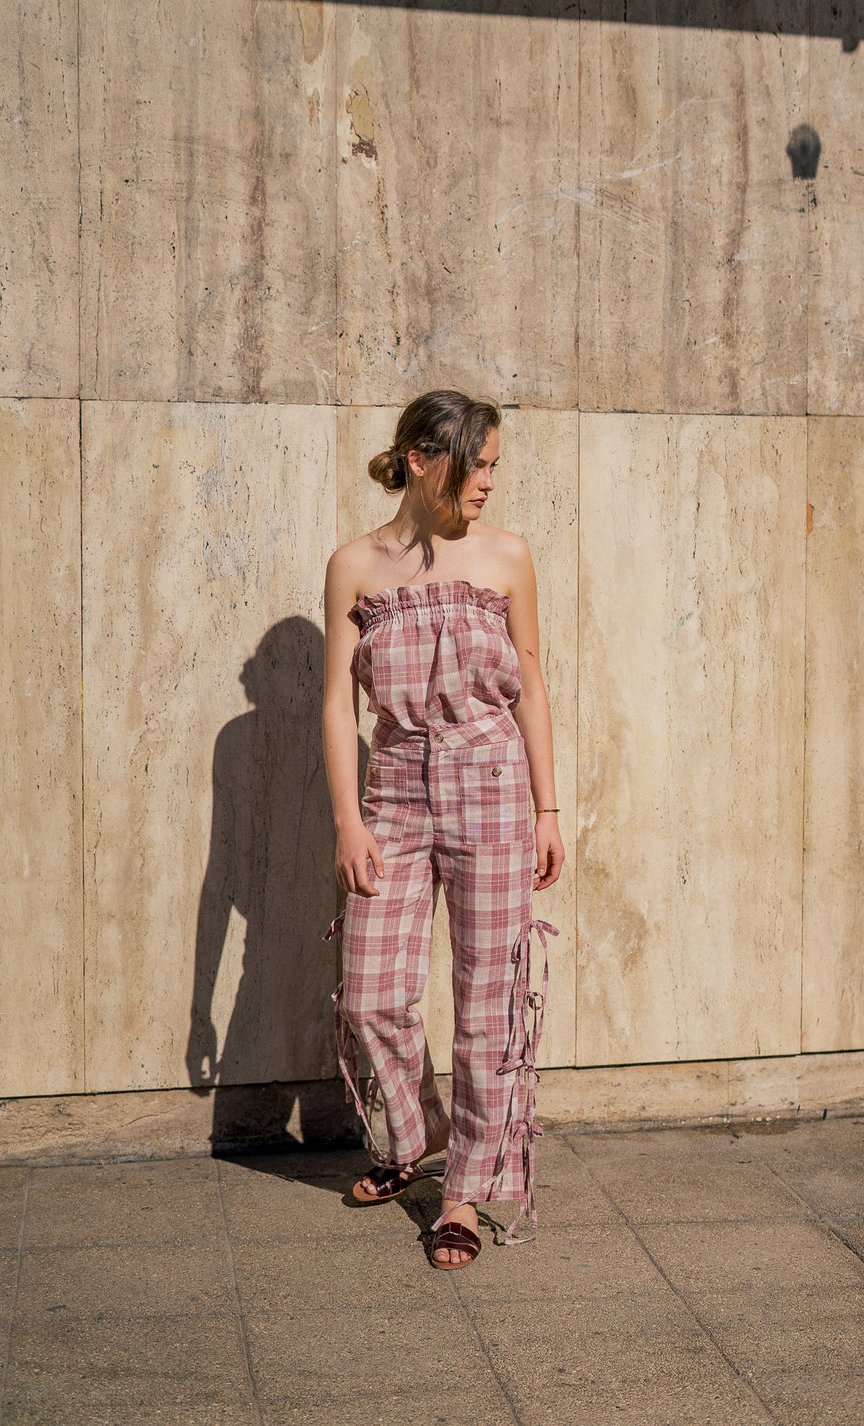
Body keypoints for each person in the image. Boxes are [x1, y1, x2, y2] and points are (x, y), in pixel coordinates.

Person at [322, 388, 565, 1268]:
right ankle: (414, 1134)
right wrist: (349, 820)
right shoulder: (355, 565)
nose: (489, 481)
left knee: (488, 1002)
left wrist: (547, 807)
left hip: (492, 784)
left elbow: (530, 687)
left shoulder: (507, 556)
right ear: (422, 461)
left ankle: (461, 1191)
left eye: (495, 464)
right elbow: (335, 703)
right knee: (370, 994)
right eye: (477, 463)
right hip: (394, 789)